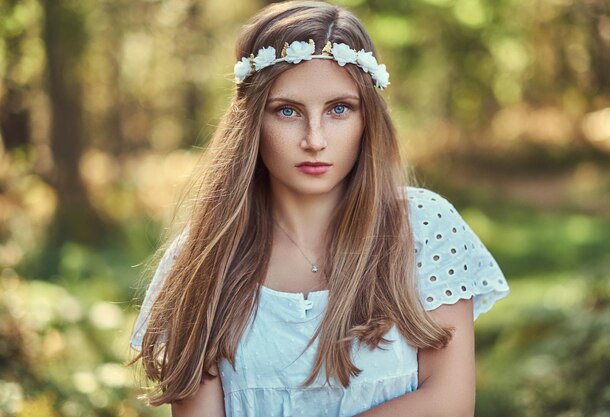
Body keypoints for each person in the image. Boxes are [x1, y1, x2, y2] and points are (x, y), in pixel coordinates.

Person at [129, 1, 510, 416]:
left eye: (339, 109)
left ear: (368, 118)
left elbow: (449, 403)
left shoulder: (423, 227)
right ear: (253, 119)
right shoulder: (203, 257)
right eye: (287, 111)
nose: (314, 139)